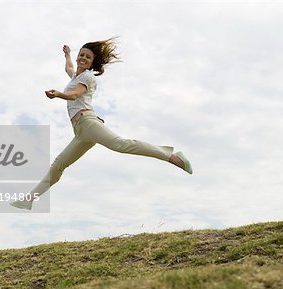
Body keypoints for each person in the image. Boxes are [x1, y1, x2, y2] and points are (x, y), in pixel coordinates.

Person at [10, 37, 192, 210]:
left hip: (88, 122)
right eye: (81, 54)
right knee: (58, 165)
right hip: (81, 133)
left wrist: (58, 94)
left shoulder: (88, 78)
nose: (83, 58)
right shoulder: (75, 76)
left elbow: (75, 95)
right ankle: (29, 200)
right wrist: (66, 54)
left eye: (88, 57)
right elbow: (69, 68)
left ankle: (172, 156)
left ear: (92, 62)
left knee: (121, 144)